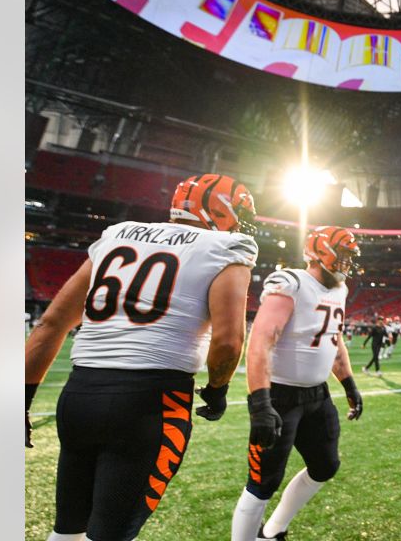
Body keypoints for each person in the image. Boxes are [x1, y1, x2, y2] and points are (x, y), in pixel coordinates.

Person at [24, 173, 259, 541]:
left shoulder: (117, 234)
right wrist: (217, 389)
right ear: (221, 209)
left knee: (68, 528)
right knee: (112, 535)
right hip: (149, 403)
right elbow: (229, 342)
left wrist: (21, 399)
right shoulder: (225, 247)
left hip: (79, 395)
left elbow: (51, 324)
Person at [230, 226, 365, 541]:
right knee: (262, 483)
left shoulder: (340, 290)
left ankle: (274, 529)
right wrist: (260, 404)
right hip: (280, 397)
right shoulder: (291, 283)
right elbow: (260, 342)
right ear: (321, 253)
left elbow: (333, 339)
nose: (347, 263)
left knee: (325, 466)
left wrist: (349, 385)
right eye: (343, 255)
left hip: (318, 397)